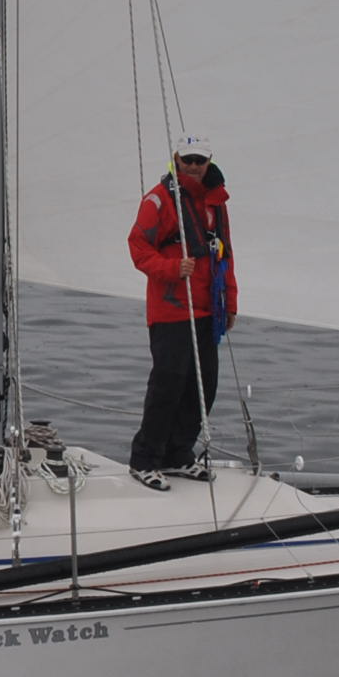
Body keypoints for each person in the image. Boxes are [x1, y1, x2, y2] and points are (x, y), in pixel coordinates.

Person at [125, 137, 238, 483]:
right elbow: (138, 247)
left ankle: (177, 454)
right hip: (171, 310)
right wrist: (173, 268)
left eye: (199, 160)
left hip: (207, 310)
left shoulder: (216, 202)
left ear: (209, 161)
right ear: (176, 159)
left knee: (203, 386)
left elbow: (226, 253)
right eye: (187, 159)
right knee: (168, 385)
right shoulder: (159, 200)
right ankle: (144, 460)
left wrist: (230, 302)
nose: (193, 166)